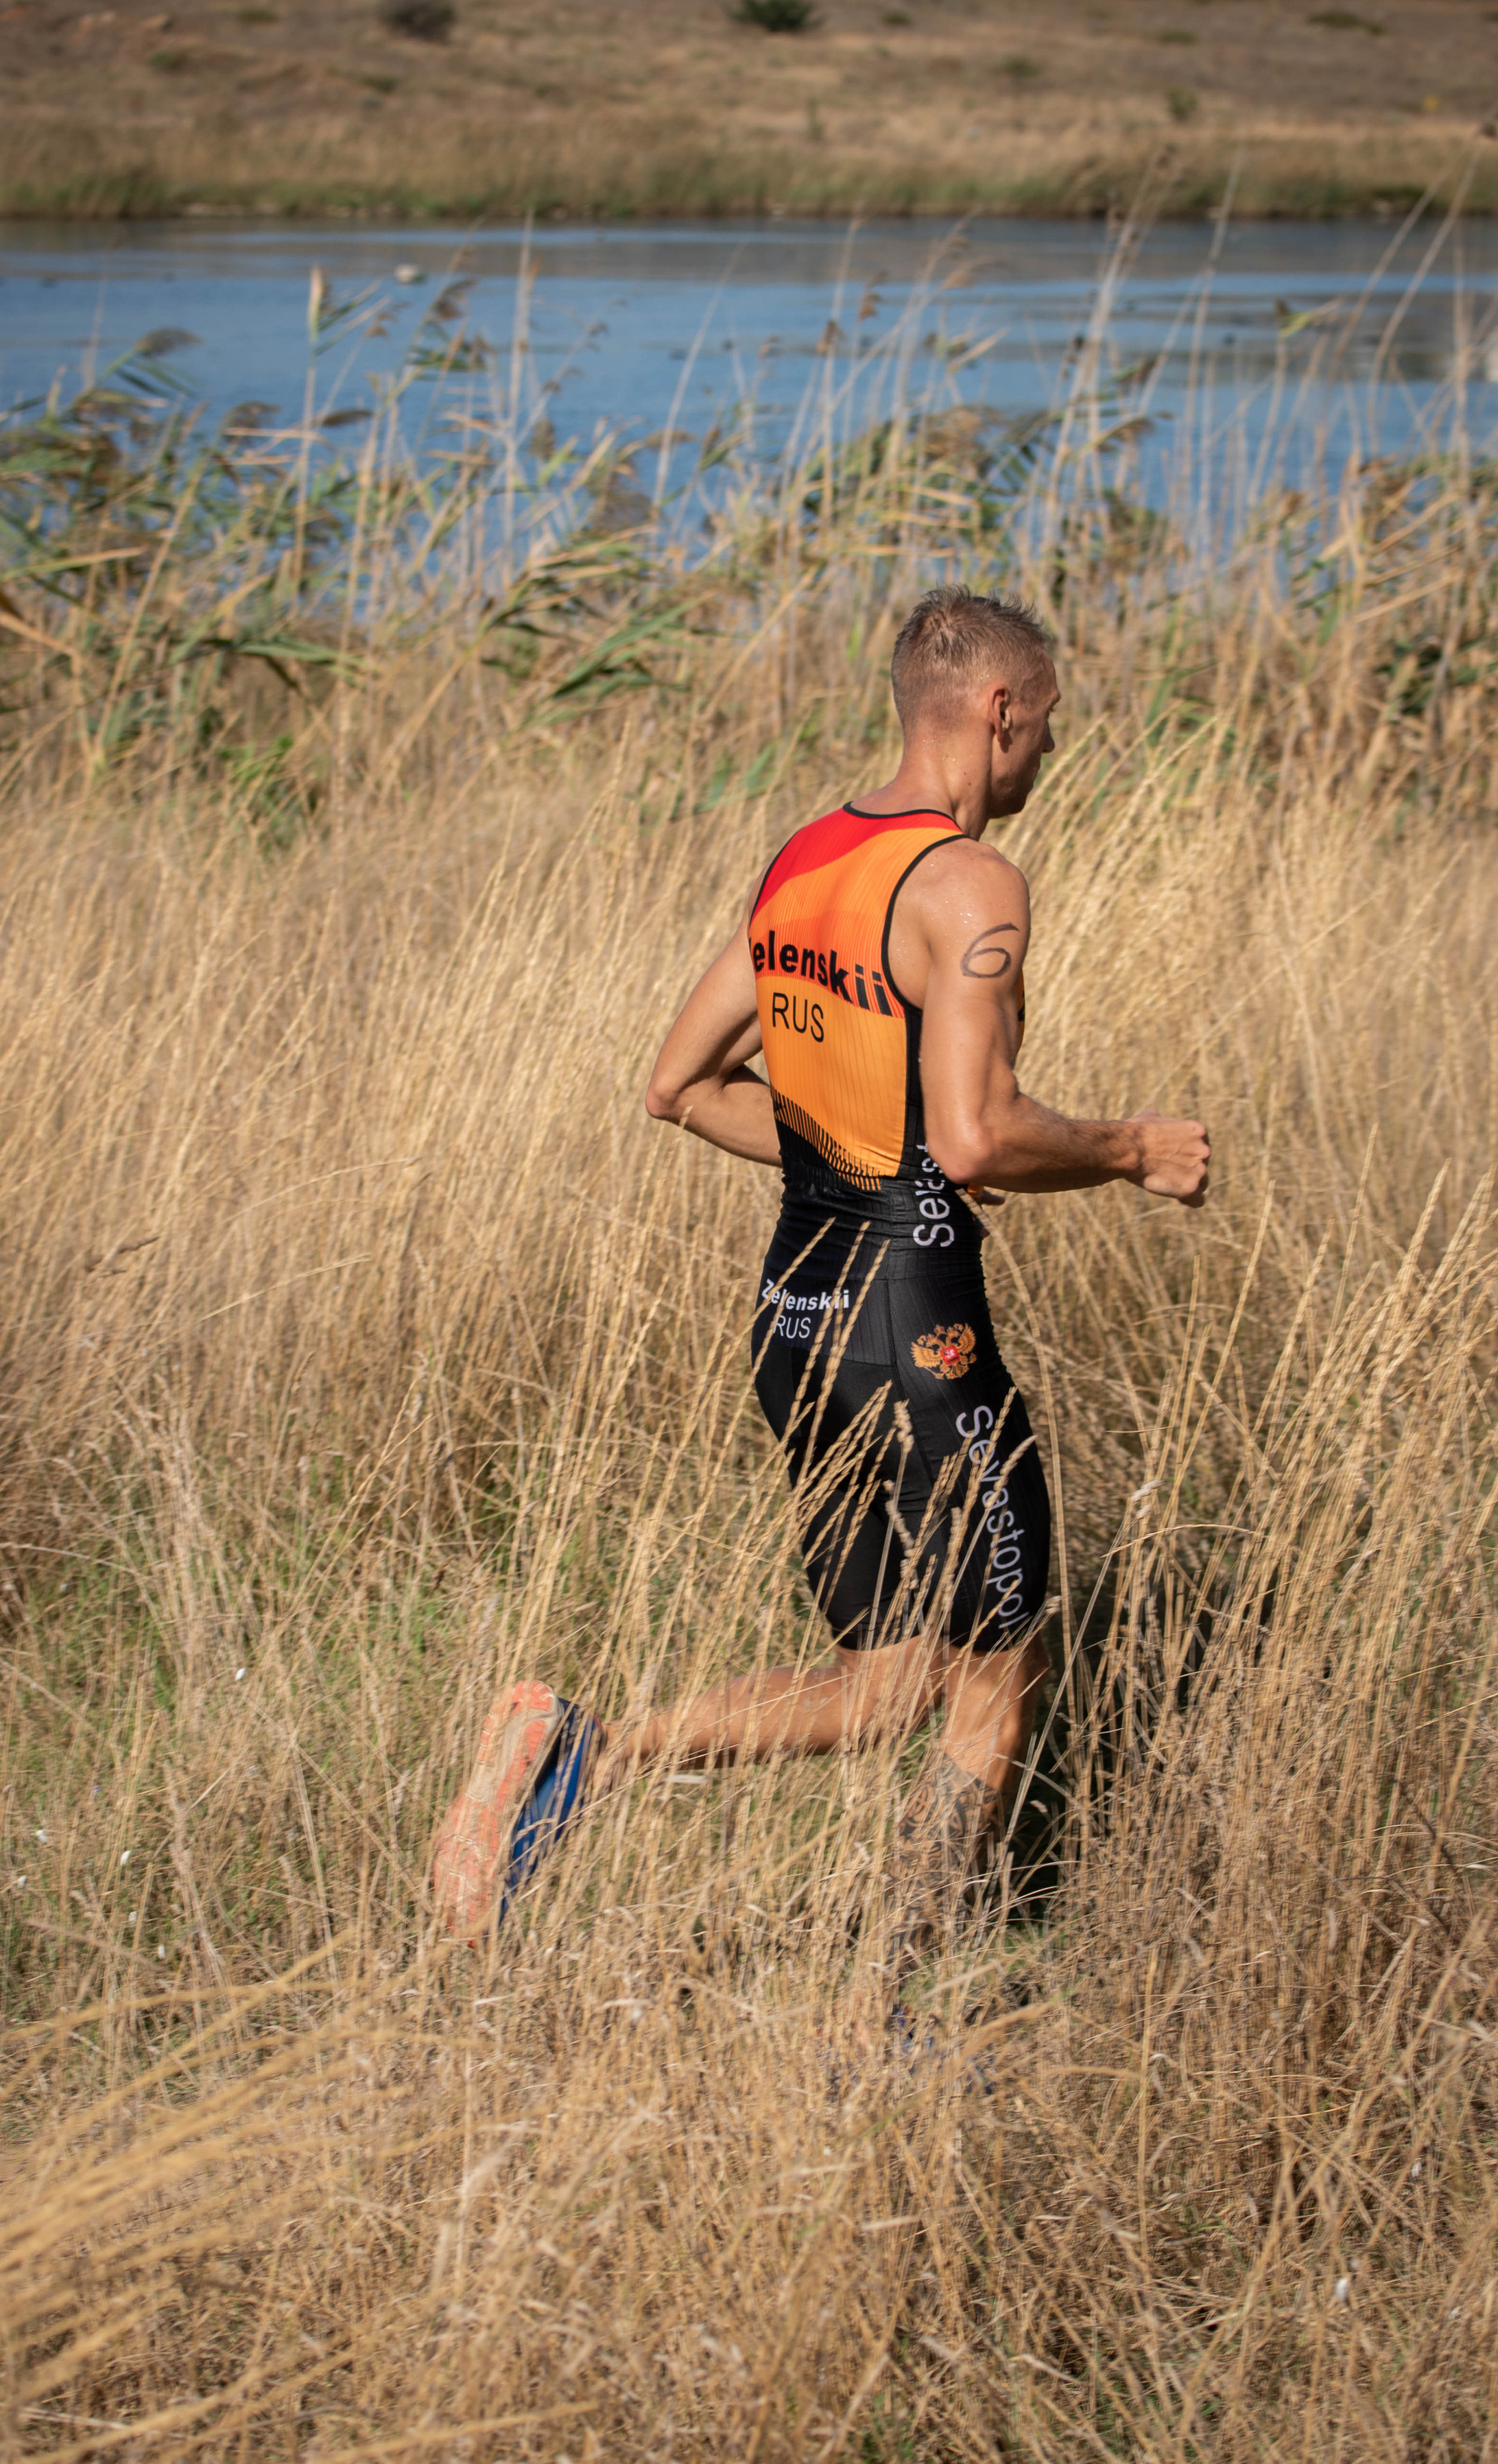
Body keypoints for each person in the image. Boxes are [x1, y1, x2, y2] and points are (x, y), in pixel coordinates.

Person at [429, 586, 1209, 1974]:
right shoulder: (968, 885)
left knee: (887, 1682)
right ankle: (887, 1996)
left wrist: (860, 1157)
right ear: (998, 711)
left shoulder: (803, 864)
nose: (1045, 757)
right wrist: (1130, 1147)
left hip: (795, 1321)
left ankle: (584, 1756)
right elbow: (976, 1136)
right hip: (922, 1332)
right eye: (1047, 729)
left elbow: (675, 1086)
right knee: (995, 1690)